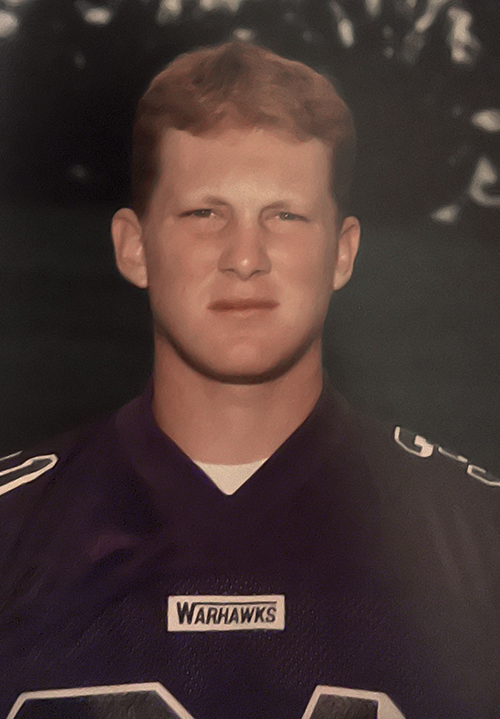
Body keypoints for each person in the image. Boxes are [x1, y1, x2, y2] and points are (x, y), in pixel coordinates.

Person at [0, 41, 499, 719]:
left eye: (285, 216)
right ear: (134, 246)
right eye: (205, 213)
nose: (244, 257)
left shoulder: (475, 535)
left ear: (343, 252)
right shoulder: (16, 530)